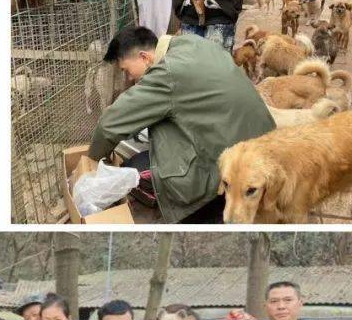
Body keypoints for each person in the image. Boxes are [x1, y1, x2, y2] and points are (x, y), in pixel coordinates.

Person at [78, 24, 274, 223]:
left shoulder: (167, 73)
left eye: (126, 70)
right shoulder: (196, 43)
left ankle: (197, 216)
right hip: (263, 147)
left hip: (231, 168)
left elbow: (110, 124)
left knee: (137, 167)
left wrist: (91, 161)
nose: (129, 78)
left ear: (144, 57)